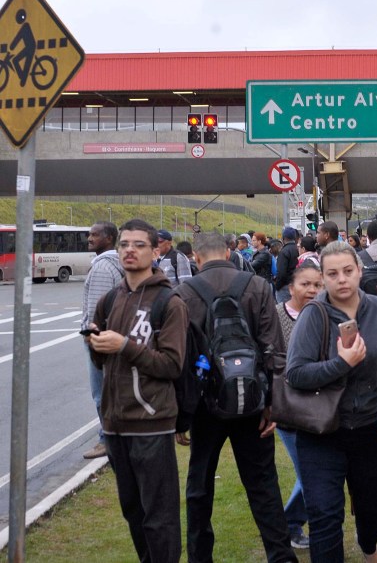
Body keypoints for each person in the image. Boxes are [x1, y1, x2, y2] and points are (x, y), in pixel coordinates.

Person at [178, 232, 296, 563]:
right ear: (230, 253)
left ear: (196, 259)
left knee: (199, 486)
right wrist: (273, 403)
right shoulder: (257, 286)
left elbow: (183, 358)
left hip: (205, 405)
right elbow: (273, 347)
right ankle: (281, 555)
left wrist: (182, 415)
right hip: (253, 400)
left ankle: (200, 557)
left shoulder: (185, 292)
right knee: (263, 485)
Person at [286, 242, 377, 563]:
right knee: (324, 516)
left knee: (374, 506)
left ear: (360, 271)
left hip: (372, 428)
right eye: (332, 274)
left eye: (348, 271)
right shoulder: (313, 315)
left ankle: (368, 544)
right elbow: (296, 373)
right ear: (323, 278)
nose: (342, 280)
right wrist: (341, 364)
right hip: (323, 432)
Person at [87, 218, 188, 563]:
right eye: (124, 245)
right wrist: (95, 342)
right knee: (133, 513)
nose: (130, 250)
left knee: (160, 518)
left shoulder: (169, 302)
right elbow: (102, 365)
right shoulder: (109, 301)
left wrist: (124, 346)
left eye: (139, 245)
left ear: (156, 250)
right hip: (115, 425)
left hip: (152, 423)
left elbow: (172, 365)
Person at [275, 261, 325, 550]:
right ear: (290, 287)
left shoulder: (325, 313)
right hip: (290, 409)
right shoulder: (277, 314)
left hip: (321, 409)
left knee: (312, 473)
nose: (312, 290)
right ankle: (290, 525)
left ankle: (289, 524)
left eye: (317, 285)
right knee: (310, 474)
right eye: (305, 284)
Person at [80, 221, 123, 460]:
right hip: (111, 340)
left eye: (95, 234)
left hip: (100, 343)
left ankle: (107, 439)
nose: (89, 238)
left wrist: (92, 340)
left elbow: (98, 312)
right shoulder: (113, 264)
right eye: (89, 233)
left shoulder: (101, 269)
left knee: (101, 394)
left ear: (109, 238)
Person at [274, 227, 300, 304]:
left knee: (283, 310)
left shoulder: (284, 251)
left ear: (283, 238)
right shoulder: (298, 249)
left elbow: (281, 273)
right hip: (295, 283)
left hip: (285, 286)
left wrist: (277, 286)